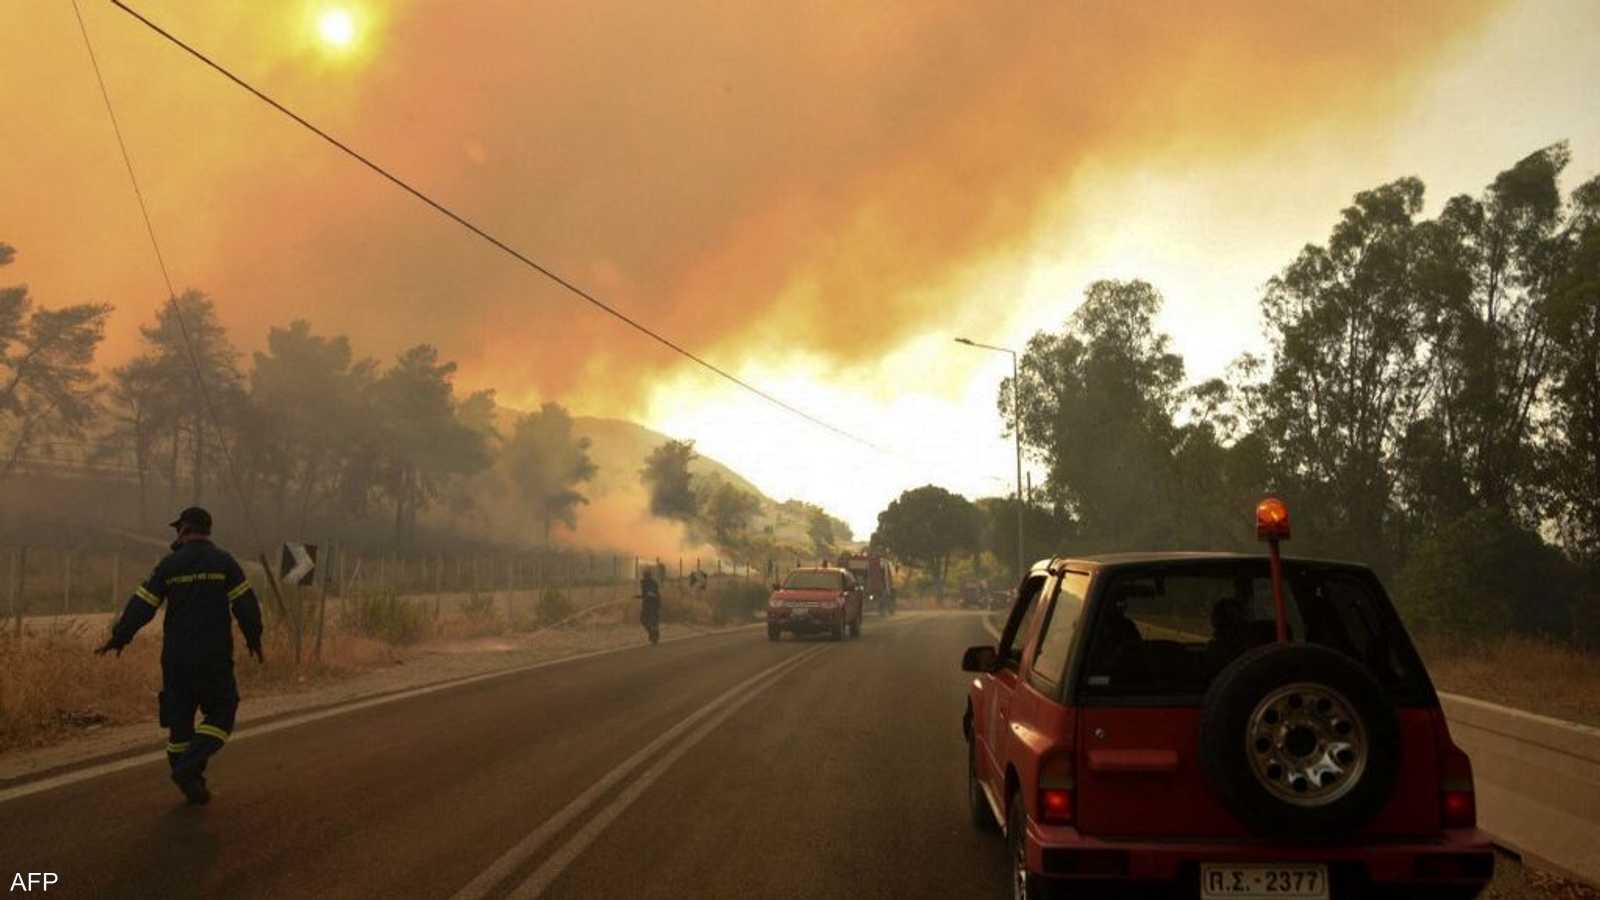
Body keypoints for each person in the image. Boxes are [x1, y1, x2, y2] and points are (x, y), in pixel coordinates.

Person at [95, 507, 263, 805]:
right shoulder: (224, 562)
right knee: (223, 711)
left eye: (177, 530)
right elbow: (245, 604)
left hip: (176, 660)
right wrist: (254, 637)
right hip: (214, 657)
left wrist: (120, 637)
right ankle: (189, 771)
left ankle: (190, 780)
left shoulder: (169, 565)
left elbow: (143, 604)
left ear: (185, 529)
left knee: (179, 724)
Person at [639, 569, 662, 645]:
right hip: (647, 604)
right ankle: (652, 634)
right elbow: (645, 594)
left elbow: (653, 594)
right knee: (643, 620)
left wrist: (649, 595)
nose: (645, 577)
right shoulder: (643, 583)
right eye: (644, 575)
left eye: (646, 575)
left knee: (653, 622)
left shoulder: (652, 583)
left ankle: (655, 637)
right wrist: (639, 596)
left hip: (653, 604)